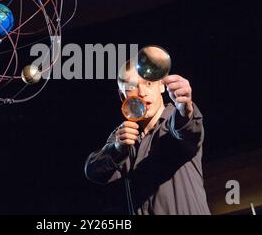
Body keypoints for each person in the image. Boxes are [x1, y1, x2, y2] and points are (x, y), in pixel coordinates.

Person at [84, 55, 211, 215]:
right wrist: (116, 149)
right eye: (131, 86)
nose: (142, 92)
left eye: (148, 83)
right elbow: (93, 171)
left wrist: (185, 109)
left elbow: (187, 128)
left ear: (161, 86)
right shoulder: (123, 136)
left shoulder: (175, 121)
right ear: (123, 96)